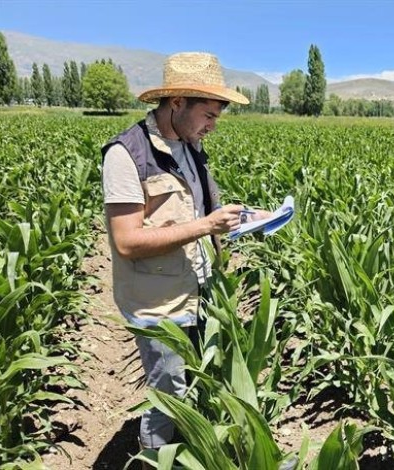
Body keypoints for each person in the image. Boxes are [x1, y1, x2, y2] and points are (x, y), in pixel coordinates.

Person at [101, 51, 265, 452]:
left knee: (197, 380)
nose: (212, 126)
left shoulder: (190, 148)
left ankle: (196, 452)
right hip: (158, 303)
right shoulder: (127, 155)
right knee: (169, 397)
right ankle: (157, 459)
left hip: (198, 288)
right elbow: (126, 241)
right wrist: (206, 226)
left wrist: (246, 219)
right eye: (208, 115)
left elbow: (199, 213)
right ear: (177, 103)